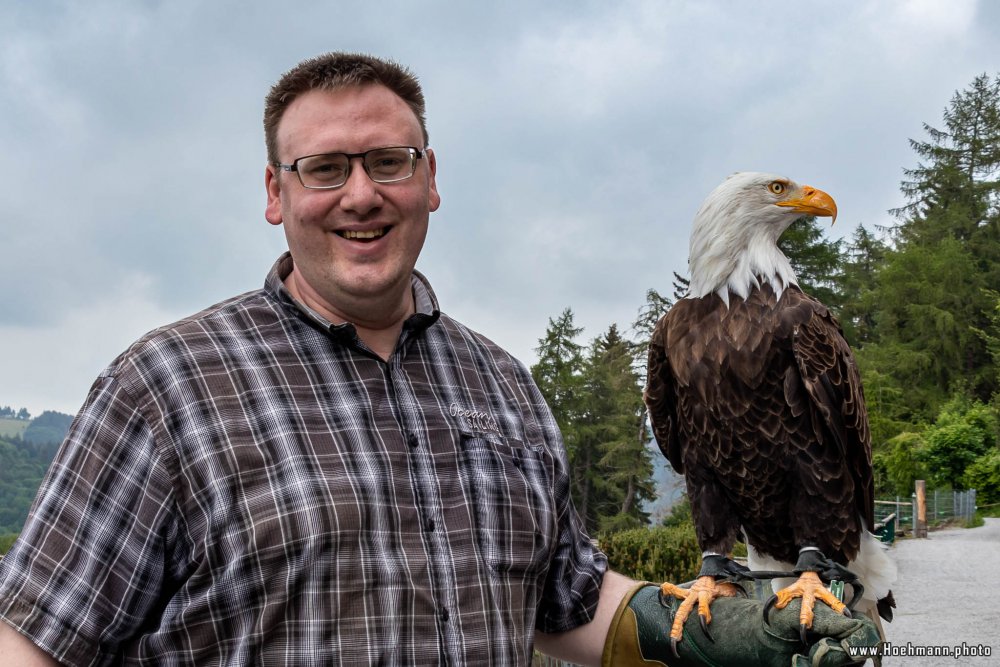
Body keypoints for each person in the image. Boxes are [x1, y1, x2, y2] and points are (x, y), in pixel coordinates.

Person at [0, 52, 879, 666]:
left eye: (389, 161)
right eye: (323, 168)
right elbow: (31, 641)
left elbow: (565, 602)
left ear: (429, 178)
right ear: (276, 193)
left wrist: (706, 630)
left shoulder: (500, 386)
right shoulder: (165, 387)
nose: (361, 194)